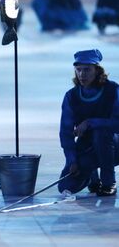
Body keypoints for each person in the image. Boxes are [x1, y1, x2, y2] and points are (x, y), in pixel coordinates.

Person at [58, 49, 119, 196]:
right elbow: (66, 133)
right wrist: (72, 160)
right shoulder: (71, 96)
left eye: (87, 70)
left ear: (97, 70)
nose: (82, 74)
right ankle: (93, 180)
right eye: (78, 70)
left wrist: (91, 122)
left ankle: (108, 181)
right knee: (66, 186)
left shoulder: (113, 90)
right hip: (88, 145)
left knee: (100, 133)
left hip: (114, 144)